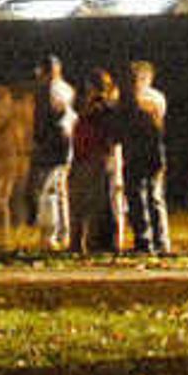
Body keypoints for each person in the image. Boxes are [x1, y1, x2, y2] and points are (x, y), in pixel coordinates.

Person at [73, 68, 127, 253]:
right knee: (104, 201)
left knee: (97, 203)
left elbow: (102, 132)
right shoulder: (107, 106)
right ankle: (102, 241)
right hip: (97, 156)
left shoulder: (100, 107)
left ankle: (101, 242)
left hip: (97, 157)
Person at [24, 59, 75, 249]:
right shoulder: (67, 88)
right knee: (60, 192)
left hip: (52, 148)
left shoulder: (48, 91)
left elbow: (54, 120)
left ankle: (49, 236)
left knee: (47, 192)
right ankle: (64, 234)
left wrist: (41, 141)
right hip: (65, 147)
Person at [123, 61, 172, 254]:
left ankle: (159, 240)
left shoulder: (153, 98)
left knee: (153, 195)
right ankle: (144, 240)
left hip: (149, 149)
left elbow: (148, 117)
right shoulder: (133, 98)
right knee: (137, 196)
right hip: (137, 150)